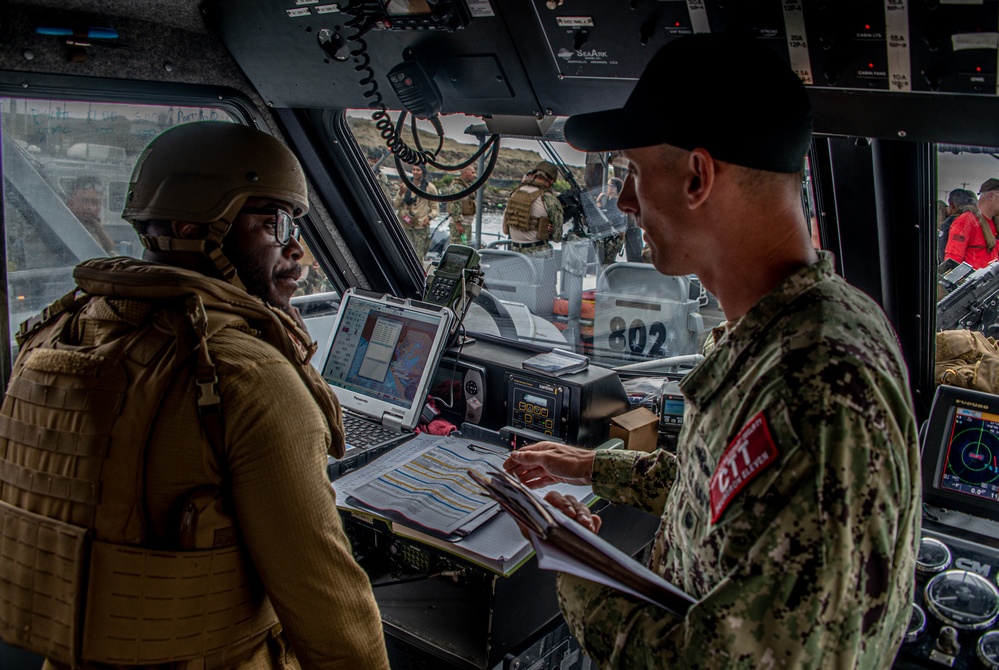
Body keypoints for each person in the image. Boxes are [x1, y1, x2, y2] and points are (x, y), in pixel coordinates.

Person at [503, 34, 920, 669]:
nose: (624, 202)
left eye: (635, 174)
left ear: (698, 176)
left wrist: (575, 570)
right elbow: (721, 502)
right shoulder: (782, 335)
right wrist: (589, 469)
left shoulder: (816, 394)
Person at [0, 122, 389, 670]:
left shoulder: (64, 328)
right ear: (193, 227)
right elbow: (329, 605)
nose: (296, 249)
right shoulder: (247, 376)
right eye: (274, 223)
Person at [501, 160, 564, 258]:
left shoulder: (515, 192)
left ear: (534, 175)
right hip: (537, 253)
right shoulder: (548, 198)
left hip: (514, 251)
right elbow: (557, 237)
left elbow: (506, 229)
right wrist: (547, 231)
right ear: (551, 181)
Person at [943, 178, 999, 269]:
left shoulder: (995, 223)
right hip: (972, 282)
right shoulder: (966, 221)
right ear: (990, 196)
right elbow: (953, 260)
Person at [393, 164, 438, 260]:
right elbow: (396, 205)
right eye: (413, 169)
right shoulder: (405, 185)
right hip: (405, 225)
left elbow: (435, 208)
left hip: (420, 226)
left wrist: (429, 217)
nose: (415, 172)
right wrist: (401, 193)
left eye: (418, 170)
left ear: (423, 172)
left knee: (419, 255)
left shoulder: (430, 188)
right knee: (404, 253)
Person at [65, 174, 117, 254]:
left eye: (95, 202)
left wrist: (97, 226)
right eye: (84, 201)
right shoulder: (63, 227)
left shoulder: (93, 226)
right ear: (70, 202)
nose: (90, 207)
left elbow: (109, 248)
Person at [939, 187, 983, 266]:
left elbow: (943, 251)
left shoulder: (951, 222)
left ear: (952, 205)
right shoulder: (981, 219)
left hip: (960, 272)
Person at [594, 177, 626, 268]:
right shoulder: (615, 202)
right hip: (614, 238)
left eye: (608, 185)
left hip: (613, 239)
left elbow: (605, 218)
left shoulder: (614, 203)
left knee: (606, 265)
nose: (606, 187)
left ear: (615, 189)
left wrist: (598, 202)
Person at [446, 163, 477, 246]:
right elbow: (454, 206)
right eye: (472, 173)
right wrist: (458, 224)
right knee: (458, 247)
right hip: (460, 225)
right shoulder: (457, 188)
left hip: (467, 224)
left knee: (465, 247)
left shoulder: (467, 187)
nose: (474, 175)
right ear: (465, 172)